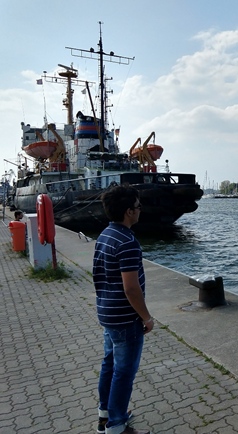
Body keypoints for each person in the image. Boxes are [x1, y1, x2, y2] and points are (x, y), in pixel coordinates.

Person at [93, 185, 153, 434]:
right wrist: (146, 317)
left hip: (107, 313)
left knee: (109, 365)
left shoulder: (105, 235)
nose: (140, 210)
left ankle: (105, 414)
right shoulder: (127, 242)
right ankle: (117, 425)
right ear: (129, 211)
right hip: (125, 319)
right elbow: (131, 288)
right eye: (138, 207)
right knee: (124, 372)